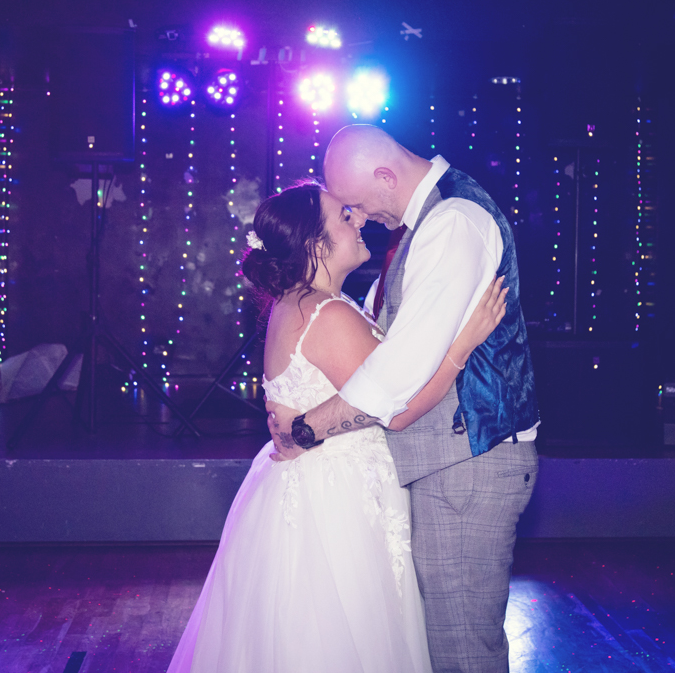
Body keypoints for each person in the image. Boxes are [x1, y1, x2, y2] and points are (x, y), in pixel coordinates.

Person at [166, 182, 508, 673]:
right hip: (337, 499)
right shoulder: (327, 314)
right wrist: (464, 344)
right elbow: (400, 410)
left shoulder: (300, 303)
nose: (359, 220)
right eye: (344, 217)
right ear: (314, 244)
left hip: (312, 485)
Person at [268, 125, 541, 673]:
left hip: (467, 464)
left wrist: (307, 427)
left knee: (461, 649)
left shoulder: (452, 221)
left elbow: (398, 376)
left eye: (356, 205)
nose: (361, 217)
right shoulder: (422, 230)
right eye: (346, 214)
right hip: (438, 465)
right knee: (444, 642)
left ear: (385, 177)